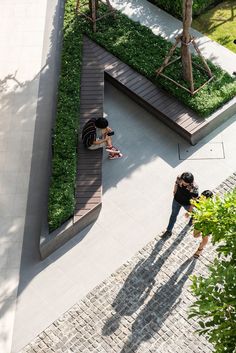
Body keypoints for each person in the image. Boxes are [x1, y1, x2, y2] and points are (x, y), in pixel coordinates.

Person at [162, 172, 199, 238]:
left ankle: (193, 217)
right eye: (182, 181)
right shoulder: (179, 178)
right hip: (176, 201)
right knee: (173, 215)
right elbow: (176, 184)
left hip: (187, 204)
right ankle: (168, 231)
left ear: (189, 182)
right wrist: (174, 192)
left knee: (195, 213)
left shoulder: (194, 187)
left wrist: (189, 212)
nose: (183, 183)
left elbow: (194, 201)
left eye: (185, 182)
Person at [192, 189, 213, 259]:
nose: (202, 199)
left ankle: (199, 251)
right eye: (202, 196)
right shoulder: (198, 200)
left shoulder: (212, 206)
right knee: (195, 235)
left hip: (208, 224)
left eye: (204, 198)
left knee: (205, 239)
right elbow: (193, 207)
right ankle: (202, 240)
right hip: (199, 223)